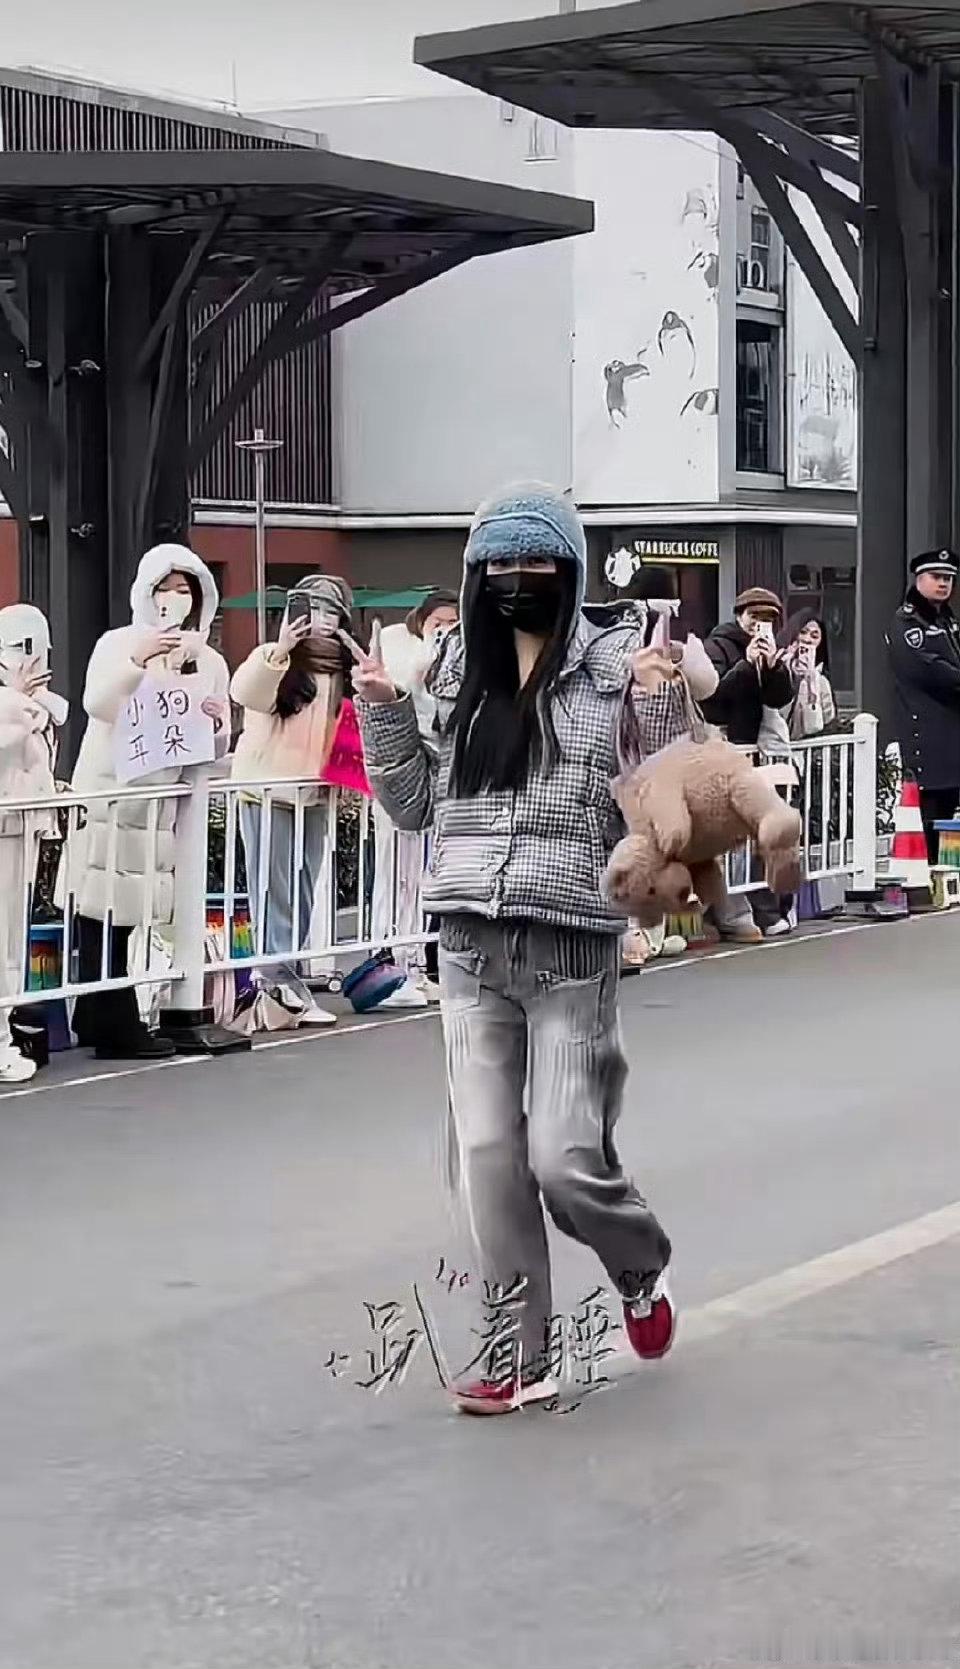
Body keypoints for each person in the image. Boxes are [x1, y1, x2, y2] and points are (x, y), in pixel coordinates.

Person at [353, 483, 675, 1417]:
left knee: (566, 1160)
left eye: (536, 563)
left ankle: (639, 1266)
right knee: (488, 1153)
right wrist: (384, 709)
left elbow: (662, 800)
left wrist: (659, 704)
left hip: (570, 947)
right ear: (474, 573)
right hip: (467, 943)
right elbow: (414, 805)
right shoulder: (457, 668)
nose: (516, 579)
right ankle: (518, 1352)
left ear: (569, 570)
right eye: (498, 564)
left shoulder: (617, 666)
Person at [67, 545, 230, 1060]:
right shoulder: (118, 643)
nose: (174, 599)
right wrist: (138, 662)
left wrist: (216, 723)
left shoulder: (208, 659)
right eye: (165, 588)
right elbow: (97, 703)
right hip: (111, 795)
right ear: (146, 591)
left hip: (159, 806)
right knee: (99, 911)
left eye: (185, 590)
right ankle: (112, 1020)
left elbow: (215, 744)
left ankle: (100, 1015)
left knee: (131, 914)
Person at [230, 573, 354, 1026]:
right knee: (273, 889)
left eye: (333, 610)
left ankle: (284, 979)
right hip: (268, 791)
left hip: (315, 793)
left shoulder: (342, 669)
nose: (324, 620)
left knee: (303, 890)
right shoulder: (273, 657)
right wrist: (280, 651)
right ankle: (276, 980)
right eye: (315, 609)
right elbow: (245, 693)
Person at [373, 589, 460, 1007]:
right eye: (437, 622)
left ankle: (420, 965)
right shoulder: (398, 644)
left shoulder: (465, 654)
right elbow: (395, 699)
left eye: (452, 622)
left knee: (430, 880)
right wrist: (420, 669)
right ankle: (391, 963)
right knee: (399, 878)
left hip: (442, 779)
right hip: (403, 778)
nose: (444, 629)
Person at [702, 587, 795, 942]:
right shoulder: (718, 646)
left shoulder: (771, 651)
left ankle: (769, 910)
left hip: (757, 755)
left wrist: (773, 667)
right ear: (740, 616)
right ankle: (730, 914)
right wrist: (745, 664)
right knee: (730, 838)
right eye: (755, 617)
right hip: (724, 752)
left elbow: (780, 697)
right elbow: (713, 698)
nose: (760, 625)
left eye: (768, 619)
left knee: (764, 833)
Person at [0, 605, 68, 1082]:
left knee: (10, 942)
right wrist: (16, 700)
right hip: (7, 823)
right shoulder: (16, 707)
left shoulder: (35, 706)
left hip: (20, 825)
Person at [887, 548, 960, 862]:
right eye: (936, 577)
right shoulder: (907, 622)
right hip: (928, 734)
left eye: (948, 578)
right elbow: (928, 669)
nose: (943, 584)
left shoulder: (946, 619)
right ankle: (926, 873)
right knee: (928, 815)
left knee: (949, 817)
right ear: (919, 579)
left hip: (952, 735)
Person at [779, 610, 836, 741]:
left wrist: (812, 684)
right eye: (803, 632)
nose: (807, 639)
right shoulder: (776, 668)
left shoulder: (821, 682)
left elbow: (815, 727)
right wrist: (783, 672)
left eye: (814, 636)